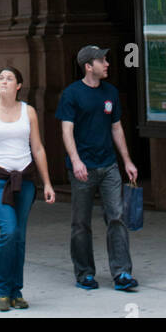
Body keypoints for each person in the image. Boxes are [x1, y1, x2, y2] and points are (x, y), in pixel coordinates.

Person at [55, 45, 139, 293]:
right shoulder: (72, 94)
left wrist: (127, 161)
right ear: (88, 66)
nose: (107, 64)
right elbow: (66, 130)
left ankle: (122, 273)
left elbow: (116, 128)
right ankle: (84, 273)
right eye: (102, 60)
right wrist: (76, 160)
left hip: (109, 165)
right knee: (81, 223)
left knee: (117, 217)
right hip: (83, 169)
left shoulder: (111, 92)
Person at [0, 65, 56, 312]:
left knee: (19, 235)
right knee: (8, 231)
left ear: (19, 86)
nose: (4, 81)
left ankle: (16, 291)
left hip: (26, 180)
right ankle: (1, 289)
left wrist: (48, 183)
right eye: (0, 78)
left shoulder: (28, 112)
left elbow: (38, 148)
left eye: (9, 78)